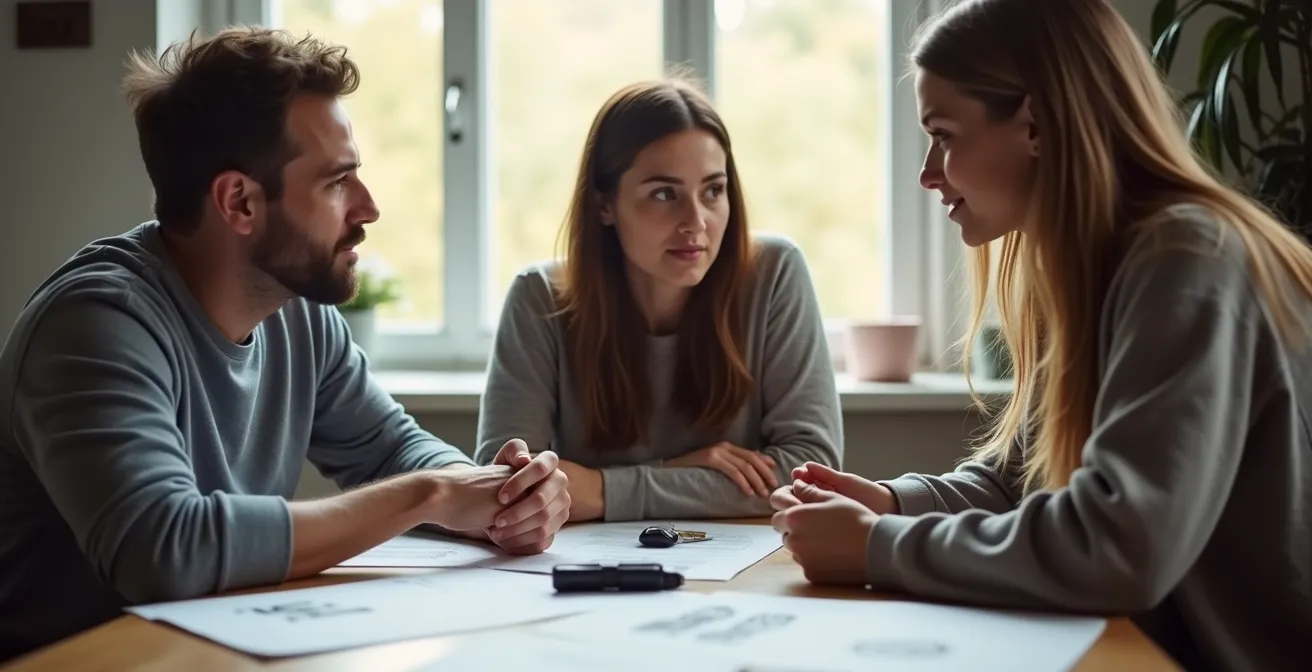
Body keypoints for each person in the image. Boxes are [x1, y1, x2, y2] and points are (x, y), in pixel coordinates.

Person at [769, 1, 1310, 670]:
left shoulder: (1187, 260)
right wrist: (887, 502)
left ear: (1034, 124)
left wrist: (880, 545)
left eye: (944, 134)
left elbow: (1118, 548)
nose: (929, 172)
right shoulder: (1094, 263)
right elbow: (1020, 482)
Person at [0, 27, 570, 662]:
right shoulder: (95, 324)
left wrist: (498, 495)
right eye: (336, 182)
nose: (370, 207)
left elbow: (392, 448)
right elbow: (165, 552)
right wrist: (433, 494)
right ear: (239, 201)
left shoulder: (294, 312)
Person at [473, 78, 843, 524]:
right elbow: (508, 487)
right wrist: (676, 470)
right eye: (664, 194)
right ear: (604, 205)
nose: (696, 222)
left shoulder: (775, 273)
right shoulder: (538, 297)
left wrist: (603, 490)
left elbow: (811, 475)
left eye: (713, 191)